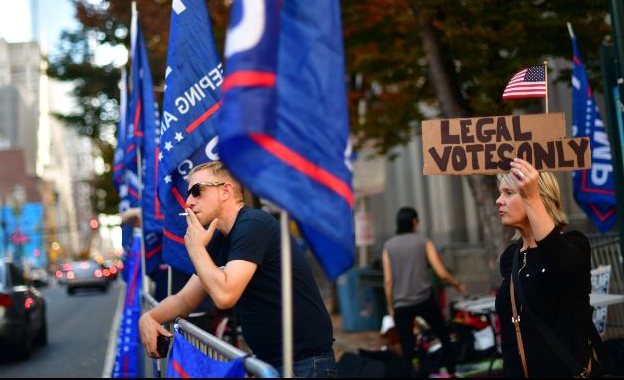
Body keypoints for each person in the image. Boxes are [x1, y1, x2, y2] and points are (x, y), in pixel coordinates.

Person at [138, 161, 337, 377]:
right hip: (271, 363)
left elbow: (225, 295)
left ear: (225, 190)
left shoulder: (253, 225)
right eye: (188, 194)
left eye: (197, 191)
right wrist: (149, 318)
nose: (188, 202)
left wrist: (196, 248)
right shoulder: (219, 241)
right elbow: (185, 300)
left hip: (304, 363)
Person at [495, 158, 592, 377]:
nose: (499, 200)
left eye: (509, 193)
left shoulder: (575, 244)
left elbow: (563, 265)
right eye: (501, 193)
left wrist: (532, 197)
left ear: (539, 197)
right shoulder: (511, 257)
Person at [382, 206, 466, 377]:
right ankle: (451, 372)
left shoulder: (388, 246)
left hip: (401, 304)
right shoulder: (423, 241)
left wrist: (391, 306)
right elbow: (440, 272)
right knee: (443, 335)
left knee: (407, 348)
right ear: (414, 221)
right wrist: (456, 283)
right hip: (424, 300)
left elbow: (388, 280)